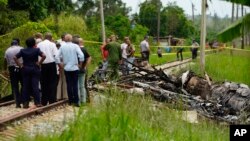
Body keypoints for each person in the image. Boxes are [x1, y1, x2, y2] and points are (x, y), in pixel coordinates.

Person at [14, 37, 46, 109]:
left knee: (26, 86)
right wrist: (39, 63)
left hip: (25, 69)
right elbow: (44, 56)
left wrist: (20, 65)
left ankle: (25, 103)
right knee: (35, 86)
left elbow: (15, 57)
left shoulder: (22, 50)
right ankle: (37, 102)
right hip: (35, 68)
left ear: (26, 44)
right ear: (34, 43)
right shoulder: (37, 50)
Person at [55, 34, 84, 106]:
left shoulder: (62, 47)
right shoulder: (75, 46)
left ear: (64, 39)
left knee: (69, 84)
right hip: (74, 67)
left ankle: (70, 101)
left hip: (66, 68)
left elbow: (56, 57)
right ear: (71, 39)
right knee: (75, 84)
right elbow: (81, 55)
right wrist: (80, 64)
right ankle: (76, 101)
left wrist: (60, 64)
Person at [37, 33, 58, 106]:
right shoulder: (52, 44)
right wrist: (59, 65)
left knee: (43, 82)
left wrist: (38, 63)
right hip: (51, 64)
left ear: (44, 37)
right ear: (51, 38)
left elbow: (38, 54)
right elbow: (56, 55)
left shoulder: (39, 44)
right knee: (52, 82)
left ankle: (44, 101)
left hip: (42, 64)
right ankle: (52, 100)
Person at [4, 38, 23, 108]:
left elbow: (5, 61)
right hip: (21, 67)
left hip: (12, 68)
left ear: (11, 44)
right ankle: (24, 101)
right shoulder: (21, 48)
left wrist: (5, 69)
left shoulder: (7, 50)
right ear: (17, 43)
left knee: (15, 86)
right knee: (24, 84)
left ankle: (17, 103)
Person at [73, 37, 92, 104]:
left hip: (75, 69)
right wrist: (85, 66)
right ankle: (83, 101)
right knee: (82, 86)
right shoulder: (84, 49)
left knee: (77, 86)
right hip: (82, 70)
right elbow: (89, 57)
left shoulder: (74, 50)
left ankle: (78, 101)